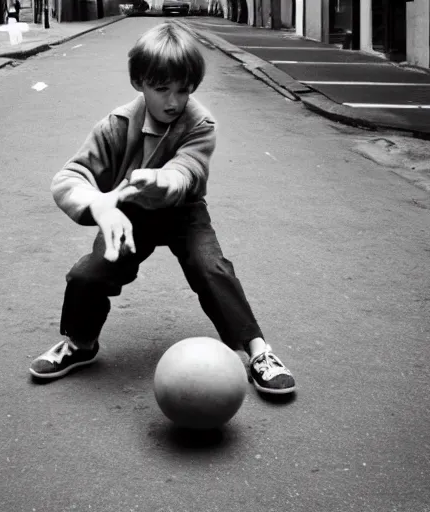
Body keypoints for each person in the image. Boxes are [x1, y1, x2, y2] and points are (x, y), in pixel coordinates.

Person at [29, 22, 296, 395]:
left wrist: (167, 179)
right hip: (130, 216)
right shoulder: (116, 125)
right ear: (139, 81)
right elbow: (69, 176)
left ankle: (257, 351)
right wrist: (100, 206)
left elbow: (188, 168)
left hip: (184, 212)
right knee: (87, 276)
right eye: (162, 89)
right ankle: (80, 344)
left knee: (212, 268)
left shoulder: (200, 123)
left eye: (183, 90)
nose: (173, 101)